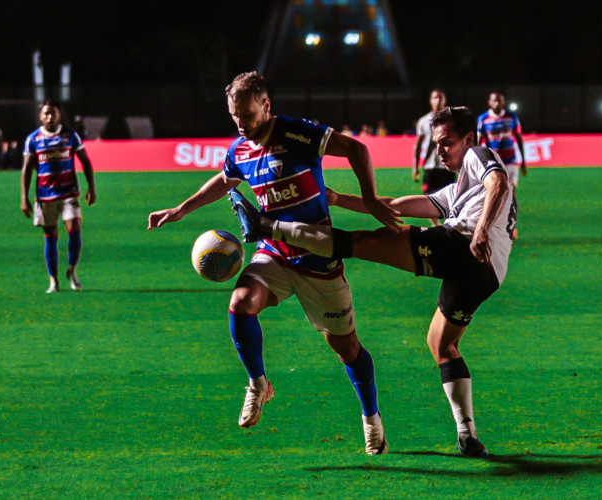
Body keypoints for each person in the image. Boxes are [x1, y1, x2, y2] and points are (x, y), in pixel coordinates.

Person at [230, 106, 514, 457]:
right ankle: (467, 435)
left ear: (469, 139)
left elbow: (499, 183)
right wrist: (338, 199)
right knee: (441, 346)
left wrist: (482, 230)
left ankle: (268, 227)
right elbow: (395, 205)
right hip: (485, 275)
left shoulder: (478, 155)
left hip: (464, 247)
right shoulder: (458, 191)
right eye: (437, 144)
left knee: (362, 243)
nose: (440, 151)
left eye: (447, 143)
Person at [147, 71, 399, 455]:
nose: (241, 124)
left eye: (247, 115)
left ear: (266, 105)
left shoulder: (297, 134)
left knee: (347, 350)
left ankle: (371, 418)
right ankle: (258, 384)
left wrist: (372, 199)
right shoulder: (239, 150)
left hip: (319, 260)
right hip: (274, 253)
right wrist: (181, 210)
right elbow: (224, 180)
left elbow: (357, 150)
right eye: (235, 117)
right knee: (240, 304)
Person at [20, 99, 97, 293]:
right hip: (45, 196)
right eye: (46, 113)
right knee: (50, 237)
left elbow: (86, 162)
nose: (49, 117)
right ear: (40, 116)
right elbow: (26, 170)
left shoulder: (70, 135)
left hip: (69, 192)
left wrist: (91, 187)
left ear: (59, 115)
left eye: (52, 113)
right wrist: (24, 198)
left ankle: (71, 270)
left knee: (75, 230)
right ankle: (53, 281)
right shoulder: (33, 139)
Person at [477, 92, 525, 239]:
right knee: (492, 194)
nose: (497, 103)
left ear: (503, 102)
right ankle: (492, 226)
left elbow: (518, 137)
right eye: (494, 101)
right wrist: (479, 161)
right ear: (489, 102)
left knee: (511, 193)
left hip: (510, 160)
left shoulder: (511, 117)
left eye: (499, 101)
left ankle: (512, 227)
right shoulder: (483, 118)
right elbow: (479, 141)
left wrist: (523, 161)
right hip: (494, 162)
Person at [412, 89, 456, 226]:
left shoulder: (452, 120)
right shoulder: (424, 121)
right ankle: (436, 225)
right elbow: (418, 145)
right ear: (430, 101)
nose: (437, 101)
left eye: (440, 98)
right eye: (434, 98)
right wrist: (415, 167)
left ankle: (448, 224)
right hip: (429, 166)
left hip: (448, 165)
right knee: (429, 197)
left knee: (451, 198)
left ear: (445, 100)